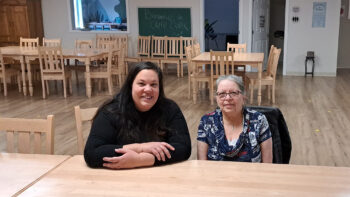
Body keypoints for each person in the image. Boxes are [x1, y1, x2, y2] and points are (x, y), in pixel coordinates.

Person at [84, 62, 191, 169]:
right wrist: (140, 148)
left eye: (154, 84)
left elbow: (183, 148)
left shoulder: (170, 108)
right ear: (131, 86)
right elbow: (92, 153)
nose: (148, 89)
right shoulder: (111, 111)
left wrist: (140, 160)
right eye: (141, 84)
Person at [197, 75, 273, 162]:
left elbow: (267, 164)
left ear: (243, 97)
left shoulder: (259, 120)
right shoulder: (206, 121)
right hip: (215, 175)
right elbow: (201, 164)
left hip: (251, 175)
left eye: (233, 93)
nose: (228, 98)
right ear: (216, 99)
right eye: (222, 94)